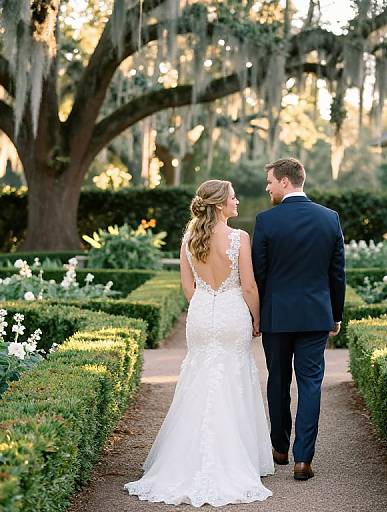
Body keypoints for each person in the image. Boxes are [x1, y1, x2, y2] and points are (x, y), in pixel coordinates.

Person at [124, 179, 274, 507]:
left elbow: (188, 288)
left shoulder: (190, 238)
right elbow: (248, 285)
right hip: (234, 312)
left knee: (199, 377)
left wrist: (207, 303)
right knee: (234, 376)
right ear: (220, 204)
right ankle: (234, 458)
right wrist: (258, 319)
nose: (237, 203)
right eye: (233, 198)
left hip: (202, 313)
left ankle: (184, 457)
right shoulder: (239, 238)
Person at [252, 157, 346, 481]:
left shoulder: (265, 221)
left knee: (277, 381)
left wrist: (257, 315)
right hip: (316, 316)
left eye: (269, 181)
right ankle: (303, 459)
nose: (267, 187)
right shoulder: (329, 219)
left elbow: (258, 276)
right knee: (310, 385)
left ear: (284, 181)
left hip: (276, 317)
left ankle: (279, 448)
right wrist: (335, 315)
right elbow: (337, 274)